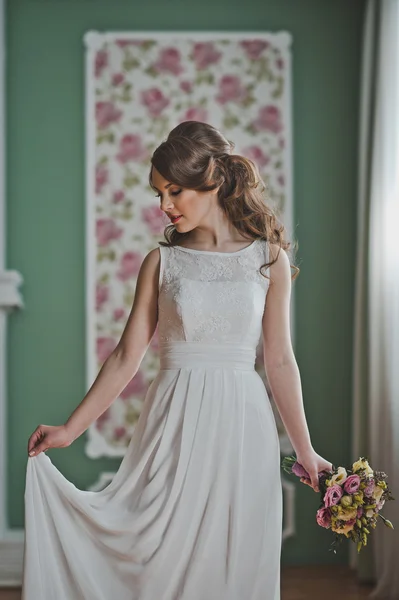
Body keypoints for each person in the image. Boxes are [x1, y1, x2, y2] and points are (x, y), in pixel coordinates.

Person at [22, 121, 333, 600]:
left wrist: (305, 450)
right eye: (158, 193)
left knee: (235, 551)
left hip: (243, 422)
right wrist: (70, 429)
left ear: (215, 181)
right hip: (175, 415)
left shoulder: (267, 260)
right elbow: (127, 355)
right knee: (155, 546)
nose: (164, 205)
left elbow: (280, 362)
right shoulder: (161, 261)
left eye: (174, 191)